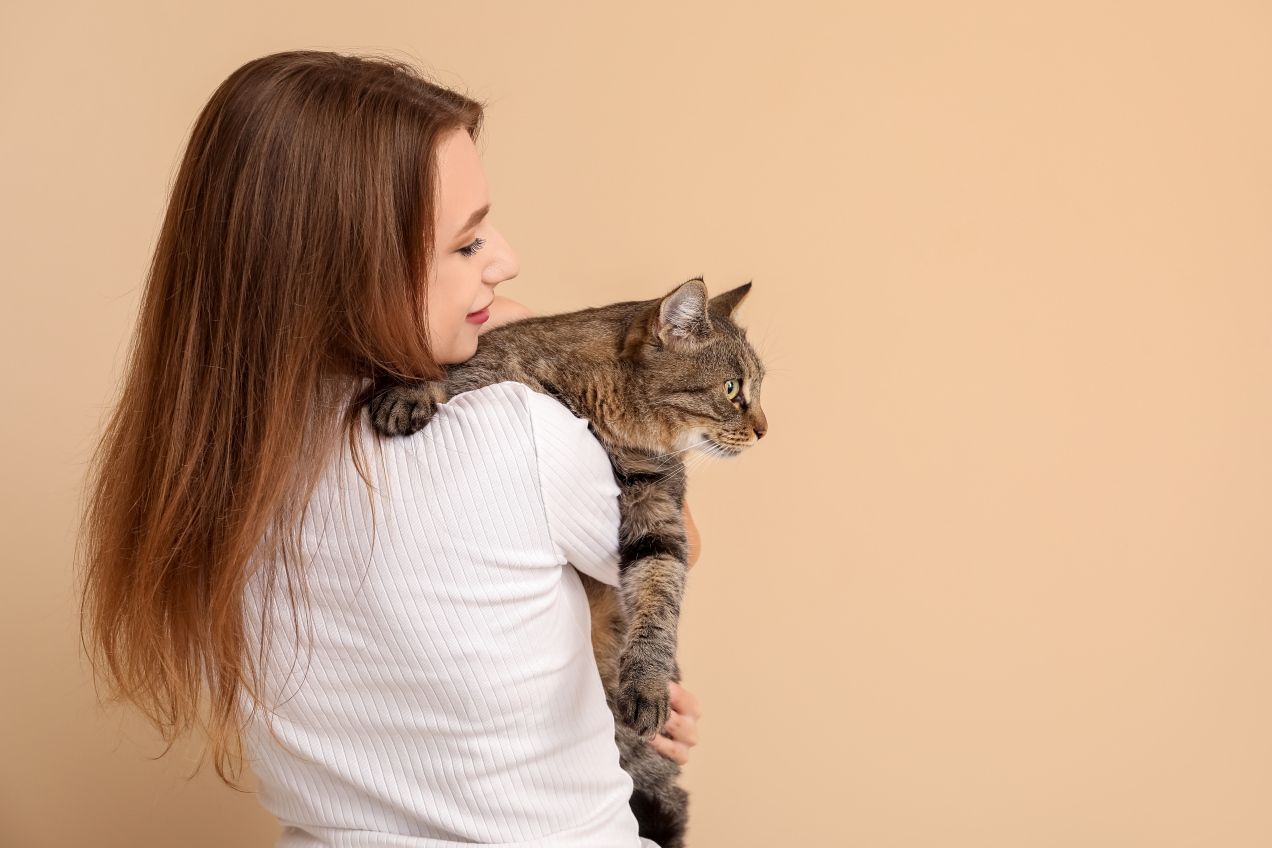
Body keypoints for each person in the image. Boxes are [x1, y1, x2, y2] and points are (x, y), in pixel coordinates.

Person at [80, 51, 701, 847]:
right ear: (350, 270)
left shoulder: (202, 470)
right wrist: (535, 346)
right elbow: (670, 543)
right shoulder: (518, 434)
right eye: (467, 245)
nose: (504, 260)